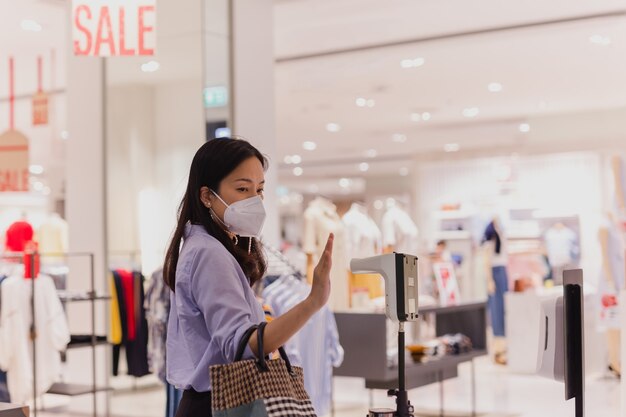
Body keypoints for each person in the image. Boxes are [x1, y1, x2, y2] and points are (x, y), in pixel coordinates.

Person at [163, 138, 334, 417]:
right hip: (220, 405)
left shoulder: (207, 246)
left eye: (260, 189)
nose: (255, 200)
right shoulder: (209, 253)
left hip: (213, 401)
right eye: (242, 189)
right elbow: (245, 345)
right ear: (206, 196)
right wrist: (312, 302)